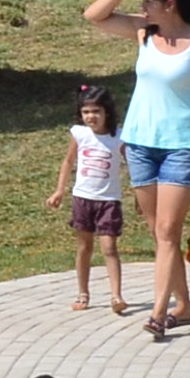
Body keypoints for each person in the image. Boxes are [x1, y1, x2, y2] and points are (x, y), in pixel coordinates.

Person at [85, 0, 190, 342]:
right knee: (158, 233)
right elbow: (94, 16)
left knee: (167, 231)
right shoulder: (145, 33)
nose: (142, 8)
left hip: (182, 145)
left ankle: (159, 314)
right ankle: (184, 305)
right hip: (140, 144)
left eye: (148, 1)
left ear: (169, 4)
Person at [49, 86, 128, 315]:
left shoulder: (118, 137)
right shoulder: (79, 134)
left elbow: (133, 164)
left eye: (96, 111)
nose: (91, 116)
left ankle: (116, 295)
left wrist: (140, 196)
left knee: (109, 247)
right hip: (83, 198)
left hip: (109, 200)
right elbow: (68, 161)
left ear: (107, 112)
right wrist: (59, 191)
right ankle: (83, 293)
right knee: (84, 246)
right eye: (86, 111)